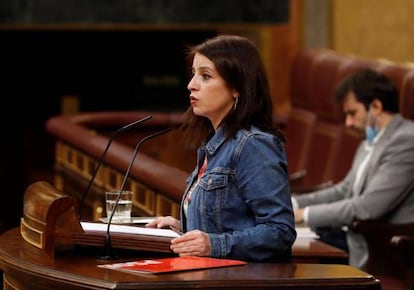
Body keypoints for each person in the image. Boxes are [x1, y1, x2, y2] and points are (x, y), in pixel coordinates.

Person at [146, 34, 296, 262]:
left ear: (237, 87)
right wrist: (181, 232)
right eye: (193, 74)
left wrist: (212, 244)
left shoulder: (253, 145)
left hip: (240, 288)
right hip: (211, 279)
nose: (191, 85)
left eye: (205, 76)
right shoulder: (213, 145)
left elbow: (280, 231)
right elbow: (225, 222)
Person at [292, 68, 414, 270]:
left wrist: (303, 215)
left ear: (375, 106)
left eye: (352, 113)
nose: (348, 123)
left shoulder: (406, 141)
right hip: (350, 237)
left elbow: (368, 207)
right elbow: (344, 190)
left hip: (383, 252)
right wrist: (292, 203)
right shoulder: (372, 138)